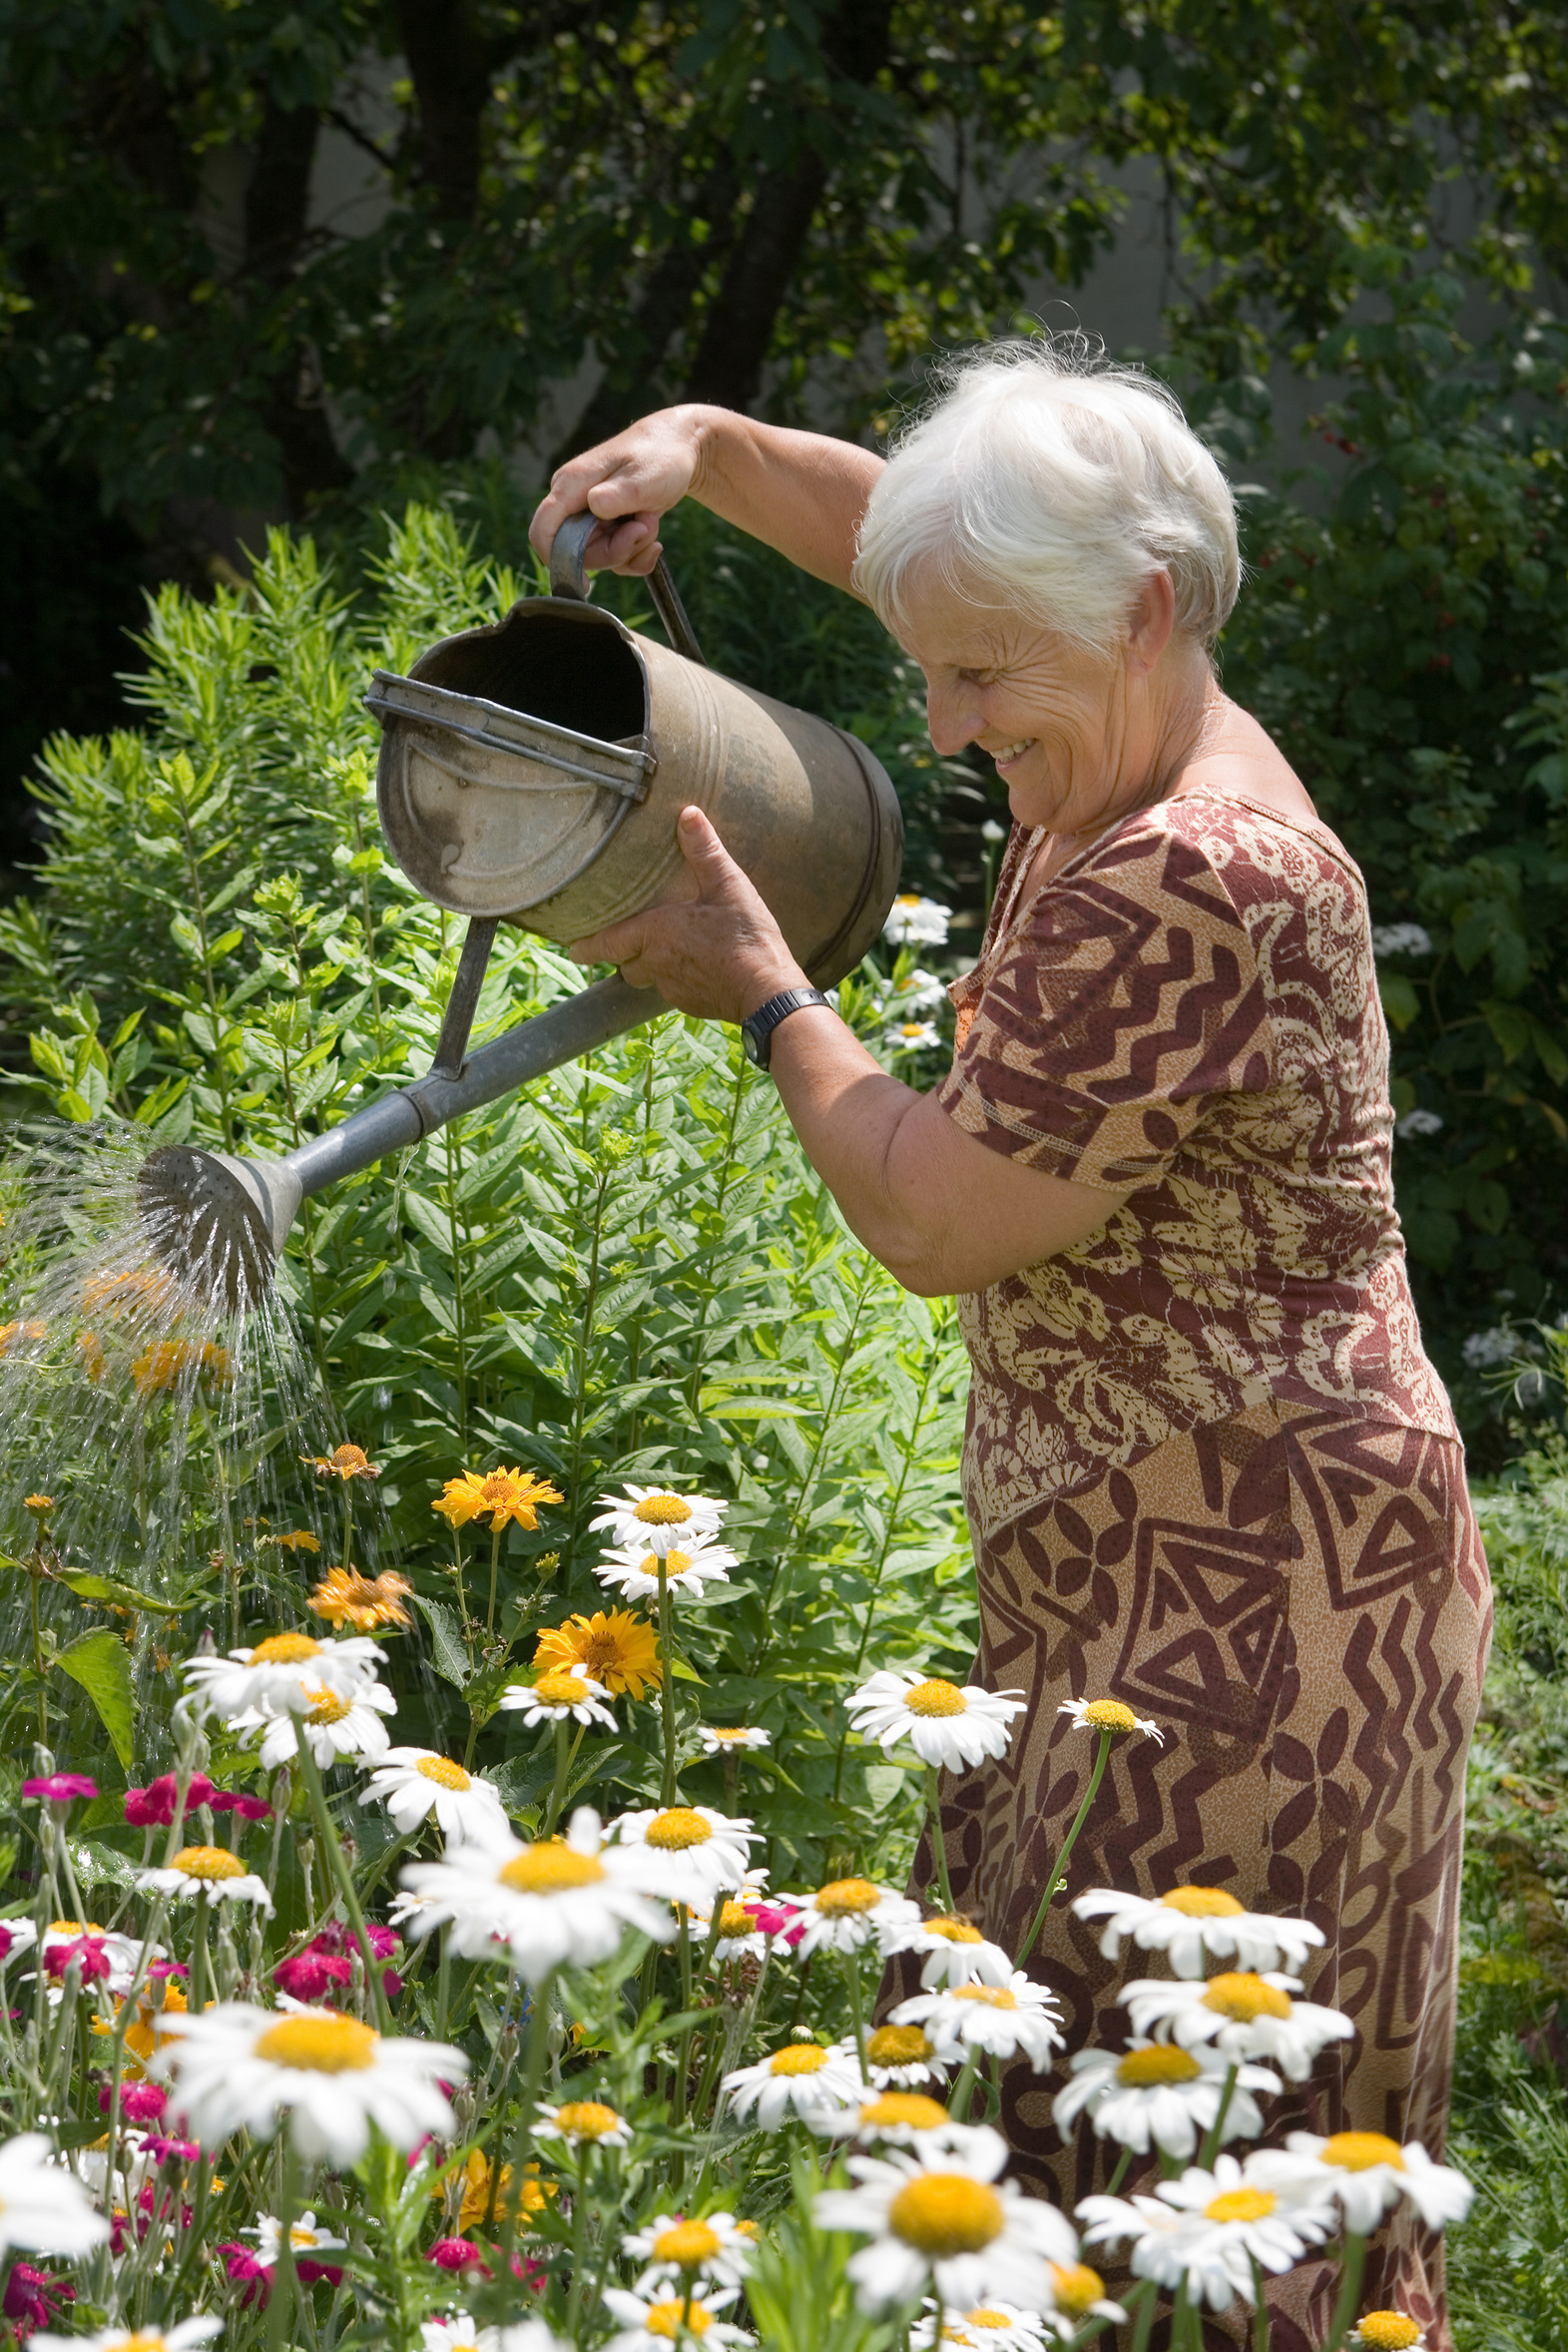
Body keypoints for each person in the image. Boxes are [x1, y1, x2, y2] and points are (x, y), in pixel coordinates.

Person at [529, 341, 1491, 2351]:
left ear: (1142, 605)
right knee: (1053, 2113)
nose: (949, 728)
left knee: (1184, 2155)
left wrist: (768, 993)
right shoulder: (1132, 705)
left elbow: (933, 1214)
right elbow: (895, 531)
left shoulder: (1189, 872)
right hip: (1162, 1548)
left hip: (1260, 1597)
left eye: (984, 679)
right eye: (933, 674)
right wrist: (708, 454)